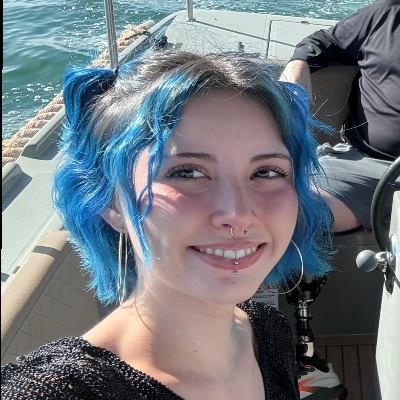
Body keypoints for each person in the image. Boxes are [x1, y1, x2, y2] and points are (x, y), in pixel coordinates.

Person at [1, 51, 333, 399]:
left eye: (266, 172)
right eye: (187, 172)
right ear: (111, 203)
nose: (238, 213)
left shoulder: (269, 333)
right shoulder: (56, 392)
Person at [280, 0, 400, 233]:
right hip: (369, 167)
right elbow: (327, 41)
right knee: (290, 213)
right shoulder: (387, 13)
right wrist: (298, 63)